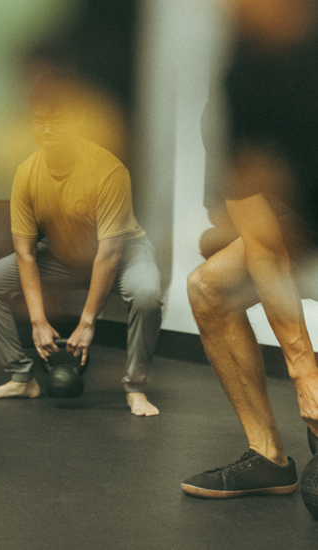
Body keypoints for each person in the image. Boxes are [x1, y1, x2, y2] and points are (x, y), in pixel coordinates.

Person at [182, 0, 318, 498]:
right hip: (300, 227)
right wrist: (304, 370)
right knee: (208, 286)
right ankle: (268, 456)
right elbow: (261, 238)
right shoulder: (242, 88)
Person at [0, 75, 163, 416]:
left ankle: (136, 386)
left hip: (121, 255)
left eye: (55, 123)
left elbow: (109, 253)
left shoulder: (107, 170)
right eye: (39, 123)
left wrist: (87, 323)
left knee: (146, 294)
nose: (45, 131)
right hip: (60, 257)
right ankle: (20, 377)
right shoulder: (27, 173)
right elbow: (26, 252)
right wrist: (38, 320)